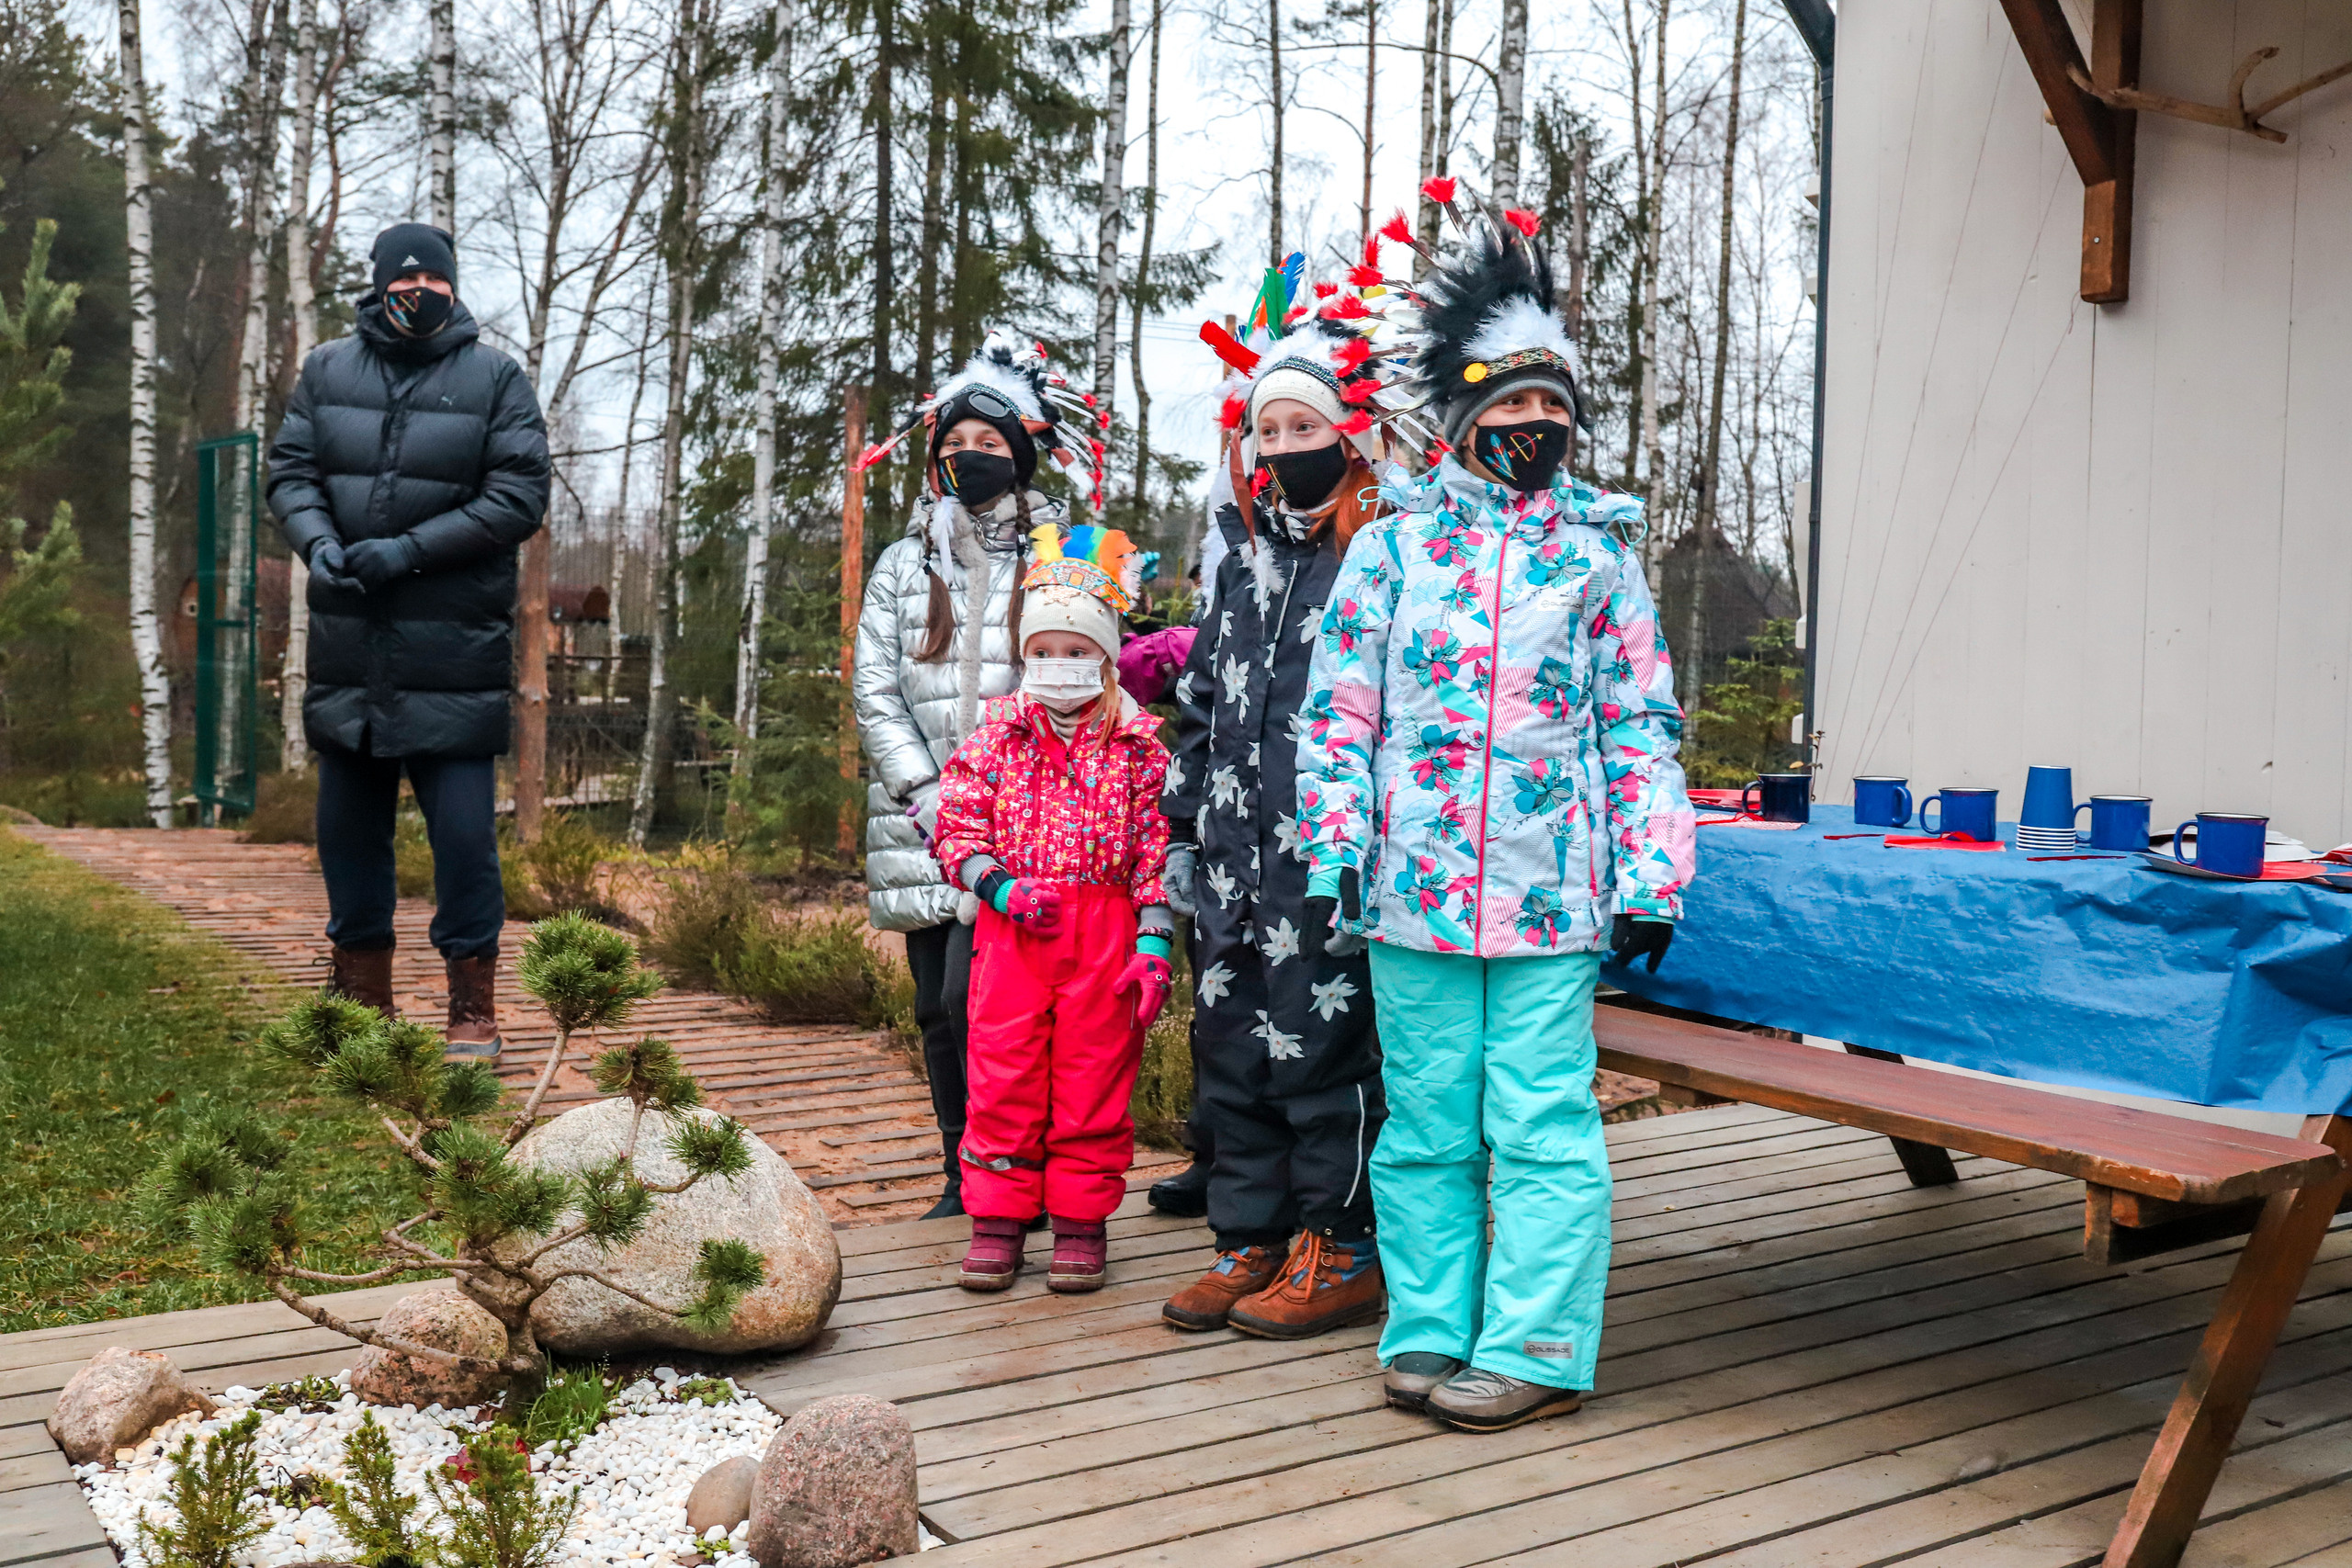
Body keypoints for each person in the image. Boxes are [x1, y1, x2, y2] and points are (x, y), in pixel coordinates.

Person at [1295, 186, 1696, 1432]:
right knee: (1424, 1126)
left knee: (1540, 1123)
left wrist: (1652, 873)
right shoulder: (1394, 551)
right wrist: (1336, 850)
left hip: (1551, 890)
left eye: (1553, 405)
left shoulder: (1600, 559)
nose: (1534, 422)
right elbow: (1340, 712)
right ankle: (1430, 1326)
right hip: (1413, 890)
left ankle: (1535, 1342)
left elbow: (1640, 724)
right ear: (1464, 417)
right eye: (1510, 403)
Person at [1155, 299, 1392, 1338]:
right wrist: (1179, 837)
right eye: (1270, 430)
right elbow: (1198, 710)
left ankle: (1337, 1247)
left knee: (1322, 1051)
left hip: (1327, 867)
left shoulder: (1380, 556)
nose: (1288, 447)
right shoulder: (1240, 566)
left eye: (1307, 428)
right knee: (1232, 1049)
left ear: (1348, 436)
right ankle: (1244, 1237)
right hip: (1228, 863)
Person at [266, 222, 550, 1055]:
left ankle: (472, 1008)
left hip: (454, 653)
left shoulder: (496, 378)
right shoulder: (327, 370)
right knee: (349, 833)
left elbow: (516, 497)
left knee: (464, 839)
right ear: (380, 283)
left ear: (454, 289)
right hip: (351, 650)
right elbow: (291, 472)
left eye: (435, 278)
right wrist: (319, 542)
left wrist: (405, 553)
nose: (420, 288)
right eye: (407, 276)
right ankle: (361, 1001)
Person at [852, 333, 1101, 1220]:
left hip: (1027, 833)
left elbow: (1080, 677)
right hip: (922, 830)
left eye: (991, 445)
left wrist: (1018, 801)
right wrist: (927, 795)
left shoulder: (1060, 558)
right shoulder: (900, 566)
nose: (970, 457)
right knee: (937, 1009)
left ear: (1023, 455)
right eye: (955, 444)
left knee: (998, 1007)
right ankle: (965, 1175)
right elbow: (875, 689)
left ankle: (1021, 1169)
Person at [930, 526, 1175, 1293]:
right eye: (1045, 650)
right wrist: (995, 884)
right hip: (1013, 932)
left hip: (1103, 930)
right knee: (1002, 1073)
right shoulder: (995, 736)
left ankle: (1080, 1223)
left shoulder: (1139, 747)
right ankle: (998, 1220)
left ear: (1105, 655)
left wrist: (1156, 940)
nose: (1059, 665)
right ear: (1025, 653)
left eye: (1077, 650)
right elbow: (956, 825)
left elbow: (1157, 849)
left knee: (1093, 1075)